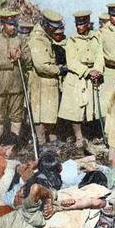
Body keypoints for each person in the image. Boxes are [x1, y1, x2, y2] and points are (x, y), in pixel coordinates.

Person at [58, 11, 104, 147]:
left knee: (91, 108)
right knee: (76, 109)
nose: (79, 27)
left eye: (82, 24)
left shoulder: (96, 38)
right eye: (77, 24)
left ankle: (91, 135)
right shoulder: (72, 40)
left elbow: (100, 56)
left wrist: (97, 70)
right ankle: (79, 137)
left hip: (93, 76)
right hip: (77, 76)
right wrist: (87, 72)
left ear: (88, 24)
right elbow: (71, 61)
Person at [0, 9, 31, 143]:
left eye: (14, 24)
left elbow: (29, 60)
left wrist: (21, 56)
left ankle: (13, 146)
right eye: (10, 24)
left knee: (16, 117)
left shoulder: (21, 40)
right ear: (3, 23)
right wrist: (10, 59)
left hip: (17, 86)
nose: (13, 27)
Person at [28, 10, 67, 145]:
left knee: (49, 113)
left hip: (48, 82)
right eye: (53, 28)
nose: (55, 31)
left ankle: (51, 140)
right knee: (40, 115)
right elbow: (42, 65)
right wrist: (59, 70)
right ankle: (42, 143)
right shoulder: (37, 39)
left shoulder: (45, 37)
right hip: (41, 82)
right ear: (46, 25)